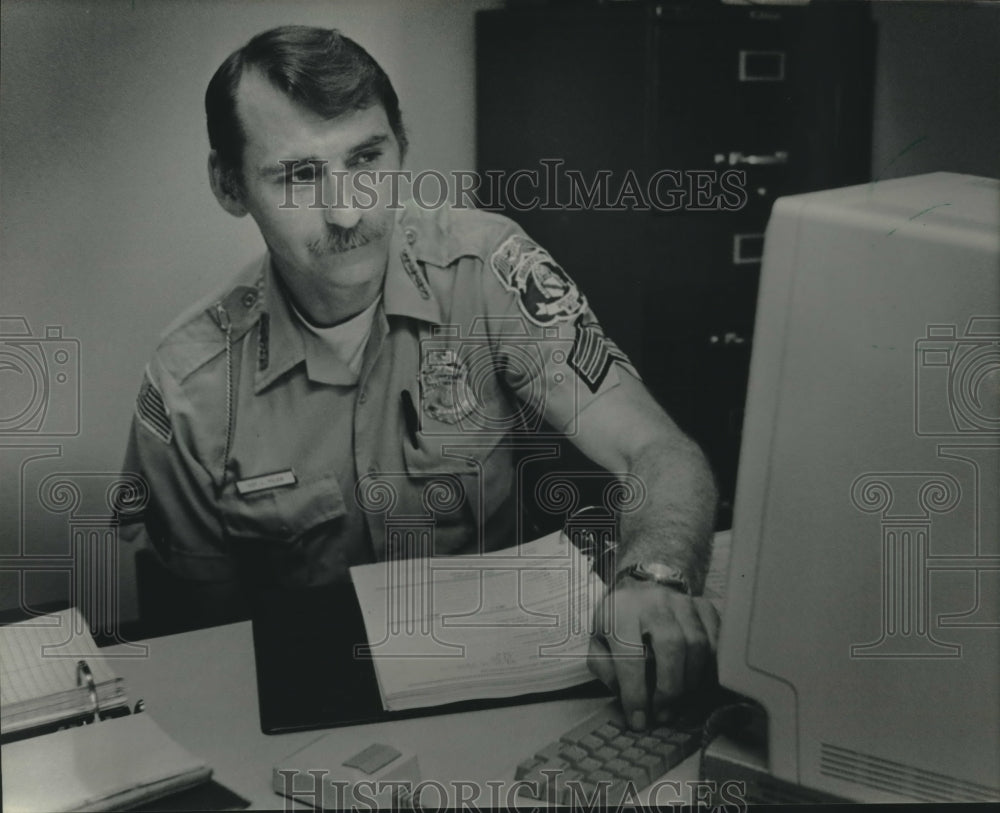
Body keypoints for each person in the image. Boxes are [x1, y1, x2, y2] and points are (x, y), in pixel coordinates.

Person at [121, 25, 719, 731]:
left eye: (367, 158)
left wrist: (654, 576)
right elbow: (198, 655)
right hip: (308, 726)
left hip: (504, 702)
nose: (347, 211)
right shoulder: (189, 386)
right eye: (299, 175)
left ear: (401, 145)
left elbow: (661, 452)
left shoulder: (487, 269)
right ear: (229, 185)